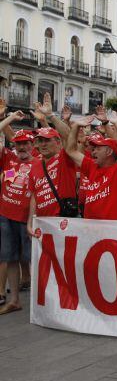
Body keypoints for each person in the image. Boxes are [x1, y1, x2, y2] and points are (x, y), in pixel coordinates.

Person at [64, 111, 117, 220]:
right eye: (93, 149)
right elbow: (70, 150)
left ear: (109, 152)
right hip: (92, 229)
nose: (93, 152)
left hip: (115, 229)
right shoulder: (91, 166)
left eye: (98, 149)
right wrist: (76, 126)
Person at [0, 112, 34, 315]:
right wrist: (10, 119)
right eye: (18, 144)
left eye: (26, 144)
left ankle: (39, 299)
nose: (22, 147)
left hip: (25, 219)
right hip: (5, 215)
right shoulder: (10, 160)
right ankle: (14, 300)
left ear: (33, 146)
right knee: (9, 257)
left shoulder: (38, 163)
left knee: (31, 259)